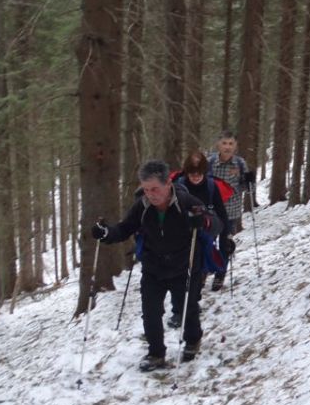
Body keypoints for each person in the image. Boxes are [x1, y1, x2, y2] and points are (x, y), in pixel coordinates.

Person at [91, 159, 221, 371]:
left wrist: (203, 221)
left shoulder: (186, 202)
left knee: (186, 308)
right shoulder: (142, 206)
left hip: (184, 267)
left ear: (167, 184)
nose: (151, 194)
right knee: (150, 312)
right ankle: (156, 353)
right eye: (146, 189)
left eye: (155, 189)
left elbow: (215, 224)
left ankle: (192, 340)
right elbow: (124, 229)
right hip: (154, 268)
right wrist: (105, 233)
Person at [167, 151, 234, 325]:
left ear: (205, 171)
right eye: (192, 173)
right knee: (182, 271)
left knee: (196, 269)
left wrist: (227, 236)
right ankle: (180, 309)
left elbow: (222, 213)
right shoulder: (178, 186)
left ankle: (192, 303)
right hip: (183, 233)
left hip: (206, 231)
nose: (195, 177)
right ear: (186, 172)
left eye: (199, 173)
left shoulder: (211, 186)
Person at [207, 130, 254, 290]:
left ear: (235, 146)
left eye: (231, 144)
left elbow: (248, 189)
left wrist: (248, 182)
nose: (227, 147)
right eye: (224, 143)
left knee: (225, 244)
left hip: (231, 212)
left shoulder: (240, 164)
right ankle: (204, 271)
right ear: (218, 145)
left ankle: (220, 275)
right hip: (211, 212)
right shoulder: (209, 163)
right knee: (207, 243)